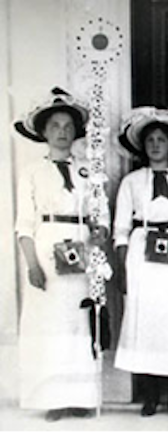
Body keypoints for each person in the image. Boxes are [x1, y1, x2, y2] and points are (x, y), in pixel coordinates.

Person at [14, 87, 110, 421]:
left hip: (81, 249)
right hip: (47, 248)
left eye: (68, 126)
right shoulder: (32, 172)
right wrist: (32, 264)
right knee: (50, 324)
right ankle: (53, 398)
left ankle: (80, 397)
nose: (62, 132)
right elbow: (24, 225)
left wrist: (100, 231)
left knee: (79, 322)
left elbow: (101, 214)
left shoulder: (89, 171)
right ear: (44, 132)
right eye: (55, 125)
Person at [113, 106, 168, 417]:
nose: (155, 145)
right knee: (147, 321)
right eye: (150, 140)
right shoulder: (131, 182)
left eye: (162, 139)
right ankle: (150, 395)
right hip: (142, 252)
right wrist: (123, 267)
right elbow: (121, 229)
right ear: (142, 145)